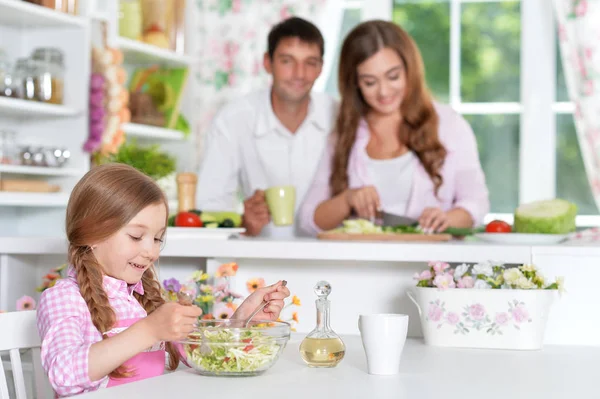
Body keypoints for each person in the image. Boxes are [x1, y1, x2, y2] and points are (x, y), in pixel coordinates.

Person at [36, 163, 290, 397]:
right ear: (91, 234)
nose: (151, 251)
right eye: (136, 236)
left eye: (157, 238)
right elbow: (63, 374)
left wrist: (243, 317)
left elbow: (201, 355)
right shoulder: (65, 298)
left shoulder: (142, 298)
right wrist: (149, 330)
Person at [299, 20, 490, 236]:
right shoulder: (345, 133)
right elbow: (308, 220)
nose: (384, 92)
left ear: (410, 69)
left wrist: (447, 219)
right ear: (355, 84)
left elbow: (476, 203)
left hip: (432, 265)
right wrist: (348, 199)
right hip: (361, 266)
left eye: (393, 77)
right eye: (370, 82)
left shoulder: (448, 125)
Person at [196, 17, 337, 238]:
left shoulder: (339, 116)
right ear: (267, 63)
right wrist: (244, 223)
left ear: (321, 68)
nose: (299, 74)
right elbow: (209, 204)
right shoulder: (234, 119)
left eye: (310, 62)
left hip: (332, 258)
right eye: (287, 61)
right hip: (257, 259)